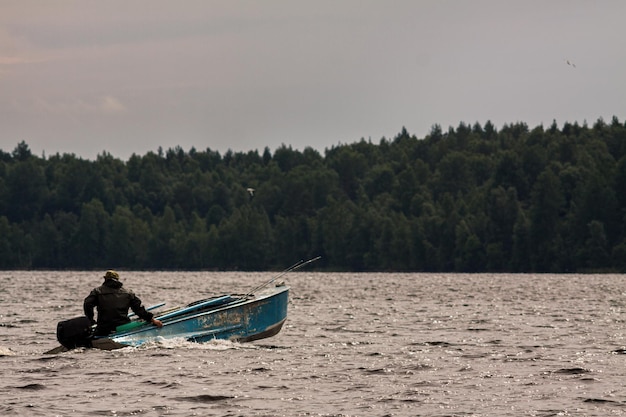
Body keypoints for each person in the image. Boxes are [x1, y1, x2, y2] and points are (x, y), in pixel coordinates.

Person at [84, 270, 163, 336]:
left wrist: (91, 320)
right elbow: (139, 310)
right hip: (123, 326)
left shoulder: (97, 291)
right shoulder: (128, 293)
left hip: (103, 328)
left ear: (106, 279)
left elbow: (87, 304)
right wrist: (152, 320)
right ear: (117, 280)